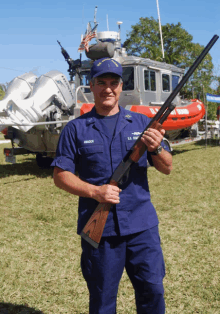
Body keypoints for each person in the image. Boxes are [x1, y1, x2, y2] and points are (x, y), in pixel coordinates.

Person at [51, 57, 173, 314]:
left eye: (113, 82)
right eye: (101, 82)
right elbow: (61, 175)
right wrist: (95, 191)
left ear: (120, 87)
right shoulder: (75, 129)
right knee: (102, 298)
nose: (108, 88)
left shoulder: (142, 124)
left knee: (153, 290)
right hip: (101, 231)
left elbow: (167, 167)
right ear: (92, 86)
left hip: (142, 227)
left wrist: (157, 147)